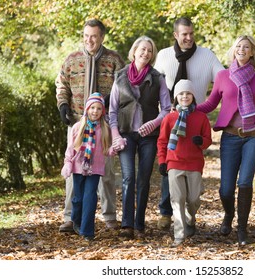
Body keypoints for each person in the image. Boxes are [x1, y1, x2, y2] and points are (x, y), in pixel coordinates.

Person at [196, 35, 255, 245]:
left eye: (246, 47)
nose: (242, 49)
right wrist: (191, 108)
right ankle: (229, 214)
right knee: (226, 189)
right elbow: (211, 103)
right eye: (238, 46)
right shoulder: (222, 76)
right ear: (234, 50)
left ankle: (242, 229)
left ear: (251, 52)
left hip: (254, 136)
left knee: (245, 181)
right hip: (230, 136)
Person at [154, 17, 224, 230]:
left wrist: (207, 108)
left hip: (196, 117)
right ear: (175, 35)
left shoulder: (207, 55)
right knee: (170, 164)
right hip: (171, 117)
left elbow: (222, 80)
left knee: (191, 170)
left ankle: (189, 213)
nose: (189, 38)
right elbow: (154, 84)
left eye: (191, 34)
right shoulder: (164, 56)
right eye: (184, 34)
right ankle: (167, 212)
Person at [56, 19, 125, 232]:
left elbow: (123, 88)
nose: (89, 40)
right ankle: (70, 217)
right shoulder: (72, 60)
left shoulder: (114, 60)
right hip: (78, 124)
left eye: (94, 36)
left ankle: (109, 215)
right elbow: (61, 84)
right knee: (73, 172)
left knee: (105, 171)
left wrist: (110, 103)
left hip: (103, 126)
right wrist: (63, 105)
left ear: (102, 37)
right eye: (86, 36)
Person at [109, 36, 171, 239]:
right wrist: (116, 135)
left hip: (149, 137)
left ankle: (139, 223)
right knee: (128, 178)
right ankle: (127, 225)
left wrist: (154, 123)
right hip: (126, 135)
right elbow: (112, 111)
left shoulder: (157, 77)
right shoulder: (120, 76)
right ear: (134, 50)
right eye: (142, 49)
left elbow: (167, 109)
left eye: (150, 51)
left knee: (144, 179)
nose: (146, 53)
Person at [157, 79, 212, 247]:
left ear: (193, 96)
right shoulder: (170, 118)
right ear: (176, 97)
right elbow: (162, 141)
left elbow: (208, 140)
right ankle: (179, 236)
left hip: (194, 163)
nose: (185, 96)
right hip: (174, 162)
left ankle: (190, 217)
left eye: (188, 93)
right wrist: (162, 161)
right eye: (181, 94)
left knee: (194, 198)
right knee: (177, 198)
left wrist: (200, 141)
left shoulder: (201, 117)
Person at [60, 92, 113, 241]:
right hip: (78, 167)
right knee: (78, 198)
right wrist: (68, 163)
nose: (95, 111)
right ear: (87, 109)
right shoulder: (78, 127)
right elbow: (71, 148)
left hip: (94, 168)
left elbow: (106, 150)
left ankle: (87, 231)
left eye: (98, 108)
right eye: (92, 108)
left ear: (102, 111)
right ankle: (76, 220)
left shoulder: (104, 129)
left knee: (90, 197)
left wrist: (114, 149)